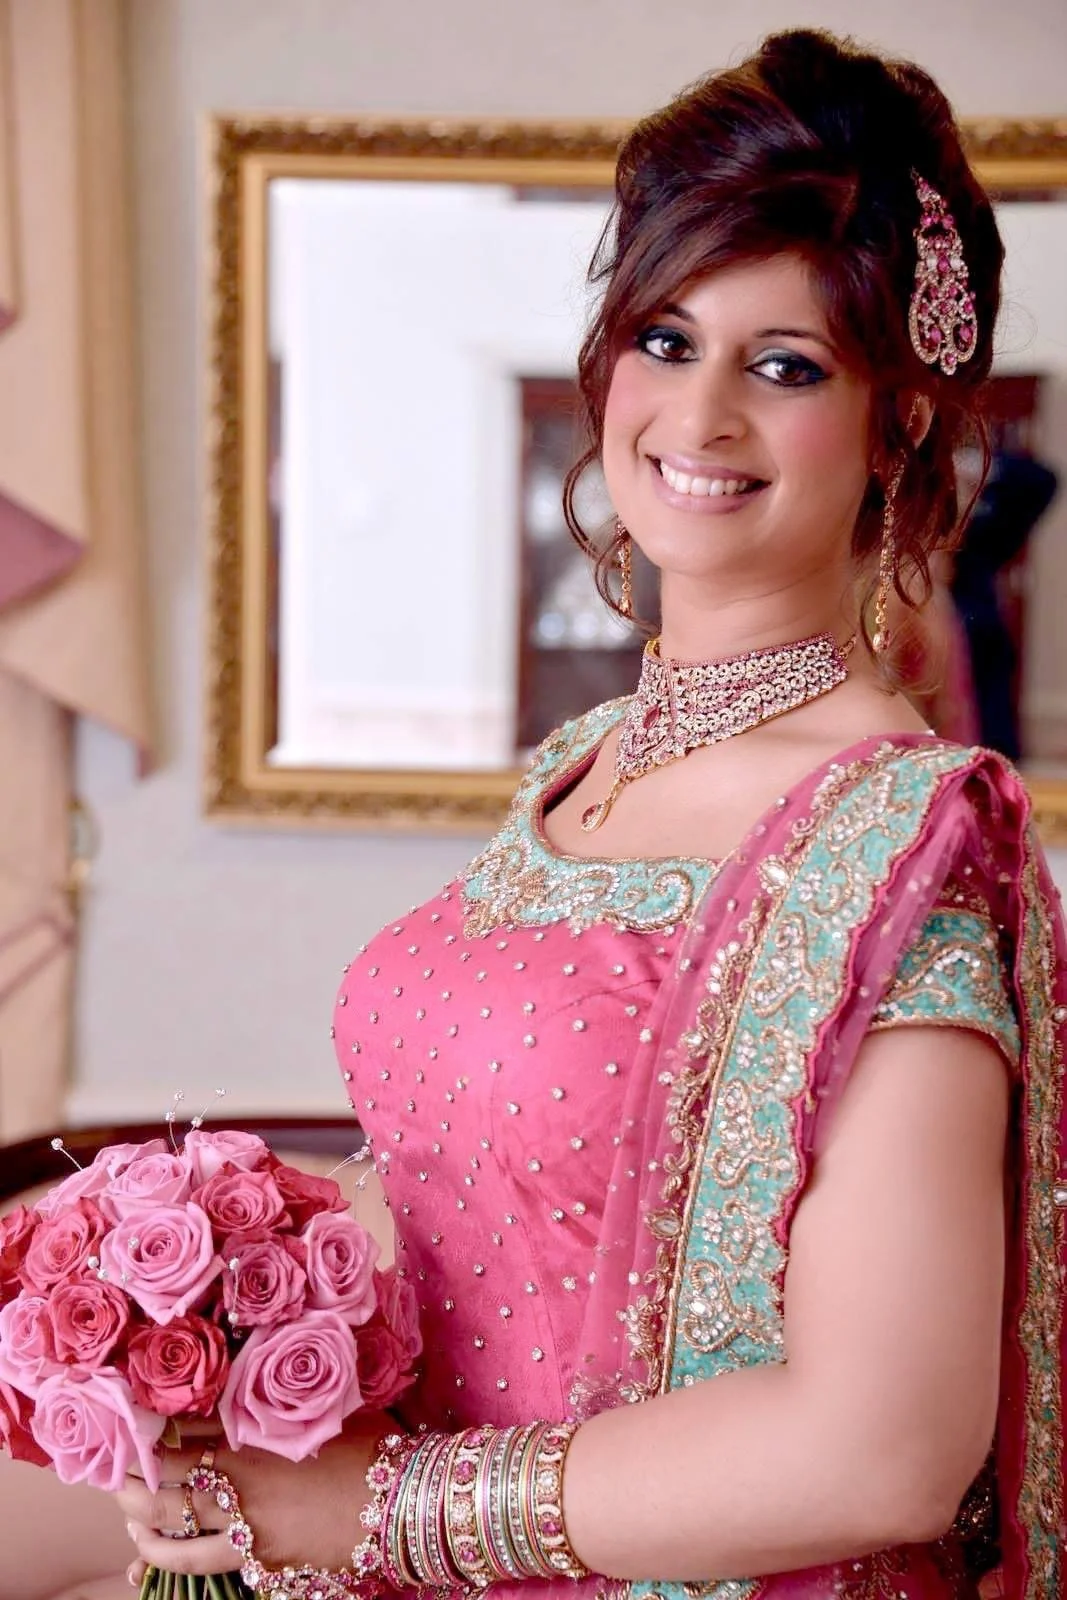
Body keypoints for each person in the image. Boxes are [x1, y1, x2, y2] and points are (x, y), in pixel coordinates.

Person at [115, 28, 1066, 1600]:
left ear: (896, 426)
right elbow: (498, 1194)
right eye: (666, 339)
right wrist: (206, 1315)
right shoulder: (587, 762)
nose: (699, 418)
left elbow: (882, 1451)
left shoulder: (896, 838)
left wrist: (375, 1511)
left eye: (784, 366)